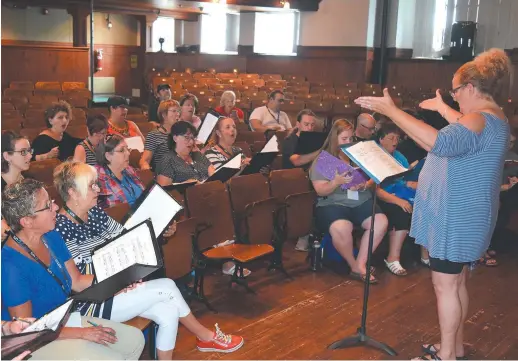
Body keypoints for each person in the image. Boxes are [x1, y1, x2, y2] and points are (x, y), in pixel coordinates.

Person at [355, 48, 511, 361]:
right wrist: (442, 109)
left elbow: (437, 142)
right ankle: (454, 347)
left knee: (445, 286)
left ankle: (446, 357)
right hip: (469, 214)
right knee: (456, 282)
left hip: (456, 216)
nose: (455, 100)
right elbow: (464, 126)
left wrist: (392, 111)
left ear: (469, 88)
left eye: (455, 92)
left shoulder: (479, 119)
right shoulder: (495, 117)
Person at [52, 161, 244, 358]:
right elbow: (78, 279)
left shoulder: (94, 214)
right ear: (72, 192)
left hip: (117, 287)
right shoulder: (60, 228)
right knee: (167, 287)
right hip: (91, 302)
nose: (98, 189)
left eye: (96, 184)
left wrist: (160, 231)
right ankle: (206, 337)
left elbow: (126, 239)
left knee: (168, 310)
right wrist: (119, 280)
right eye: (91, 185)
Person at [1, 178, 146, 360]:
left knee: (135, 339)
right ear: (27, 221)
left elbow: (77, 282)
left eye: (52, 202)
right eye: (47, 206)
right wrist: (81, 333)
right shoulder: (10, 265)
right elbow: (27, 332)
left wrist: (118, 280)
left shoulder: (51, 235)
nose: (55, 208)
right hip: (38, 341)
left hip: (64, 321)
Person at [309, 119, 388, 284]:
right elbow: (320, 190)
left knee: (380, 221)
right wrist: (335, 182)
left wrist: (365, 184)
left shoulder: (357, 156)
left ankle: (360, 264)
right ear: (334, 138)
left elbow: (373, 177)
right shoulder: (323, 160)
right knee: (342, 227)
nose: (348, 142)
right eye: (344, 139)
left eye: (350, 139)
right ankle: (354, 266)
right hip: (333, 203)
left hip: (359, 199)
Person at [375, 122, 416, 276]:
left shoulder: (399, 156)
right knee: (401, 210)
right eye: (391, 138)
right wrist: (398, 200)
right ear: (381, 139)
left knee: (425, 204)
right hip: (380, 197)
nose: (394, 142)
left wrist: (411, 184)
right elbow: (376, 190)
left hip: (398, 192)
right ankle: (392, 258)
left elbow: (403, 179)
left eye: (397, 138)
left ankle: (425, 255)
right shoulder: (375, 156)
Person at [156, 121, 216, 186]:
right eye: (187, 137)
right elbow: (164, 189)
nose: (191, 142)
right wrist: (185, 185)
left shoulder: (196, 154)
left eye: (193, 138)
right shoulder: (167, 160)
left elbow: (211, 169)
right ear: (175, 138)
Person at [95, 135, 145, 208]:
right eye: (122, 150)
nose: (128, 153)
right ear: (108, 156)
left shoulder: (129, 170)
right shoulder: (98, 178)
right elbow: (112, 212)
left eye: (127, 149)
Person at [1, 131, 33, 239]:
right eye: (23, 152)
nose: (29, 156)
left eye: (29, 151)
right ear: (7, 156)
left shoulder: (29, 181)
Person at [140, 99, 181, 171]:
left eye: (178, 111)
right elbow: (144, 160)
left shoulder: (181, 134)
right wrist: (145, 167)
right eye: (174, 111)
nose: (178, 114)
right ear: (164, 115)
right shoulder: (154, 135)